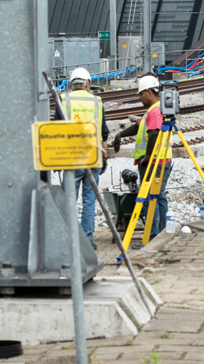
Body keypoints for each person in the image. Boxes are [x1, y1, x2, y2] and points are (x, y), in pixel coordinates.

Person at [111, 75, 170, 236]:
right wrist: (120, 134)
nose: (139, 97)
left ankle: (152, 237)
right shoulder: (153, 110)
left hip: (154, 162)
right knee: (159, 197)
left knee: (151, 199)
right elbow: (138, 126)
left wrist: (148, 156)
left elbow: (154, 134)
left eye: (141, 94)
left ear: (149, 92)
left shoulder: (155, 111)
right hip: (160, 160)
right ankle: (161, 234)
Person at [64, 67, 109, 244]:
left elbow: (56, 130)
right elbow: (104, 133)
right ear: (87, 84)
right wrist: (104, 157)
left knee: (68, 201)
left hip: (70, 158)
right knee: (89, 201)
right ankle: (87, 241)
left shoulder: (64, 100)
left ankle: (70, 241)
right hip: (93, 157)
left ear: (71, 83)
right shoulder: (96, 102)